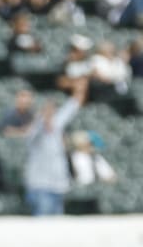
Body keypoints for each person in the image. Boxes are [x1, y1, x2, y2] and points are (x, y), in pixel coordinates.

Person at [25, 78, 88, 216]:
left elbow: (74, 104)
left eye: (53, 108)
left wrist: (79, 86)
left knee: (57, 230)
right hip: (41, 188)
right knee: (43, 231)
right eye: (47, 108)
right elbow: (38, 127)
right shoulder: (36, 130)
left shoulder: (56, 126)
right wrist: (44, 114)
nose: (50, 111)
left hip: (58, 186)